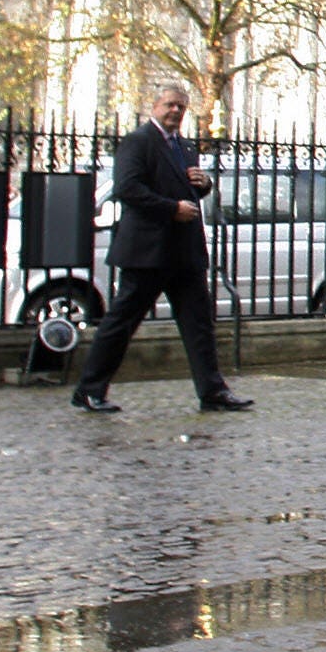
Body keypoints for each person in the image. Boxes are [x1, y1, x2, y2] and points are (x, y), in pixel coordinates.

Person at [71, 82, 252, 414]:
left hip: (184, 251)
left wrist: (204, 184)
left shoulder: (184, 147)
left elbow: (186, 188)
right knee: (121, 322)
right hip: (147, 251)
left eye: (181, 107)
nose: (175, 111)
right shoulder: (138, 142)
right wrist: (172, 209)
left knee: (199, 324)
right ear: (155, 106)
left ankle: (212, 390)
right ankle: (90, 389)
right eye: (170, 105)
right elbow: (128, 189)